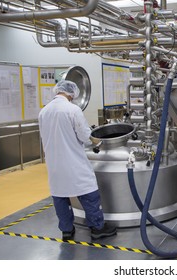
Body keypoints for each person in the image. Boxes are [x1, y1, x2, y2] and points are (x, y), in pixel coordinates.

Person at [38, 80, 117, 241]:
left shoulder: (43, 112)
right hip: (73, 161)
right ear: (71, 93)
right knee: (88, 192)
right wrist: (97, 142)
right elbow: (84, 136)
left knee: (60, 195)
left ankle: (66, 230)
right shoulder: (73, 110)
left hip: (54, 163)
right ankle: (97, 227)